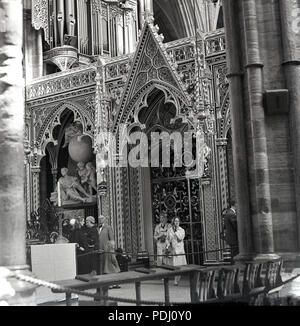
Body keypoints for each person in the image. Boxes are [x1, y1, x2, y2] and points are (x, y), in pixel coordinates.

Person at [165, 217, 187, 286]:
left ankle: (176, 280)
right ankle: (175, 280)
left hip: (179, 250)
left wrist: (176, 232)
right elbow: (167, 239)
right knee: (174, 266)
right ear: (173, 222)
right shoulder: (169, 230)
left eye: (178, 221)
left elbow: (180, 238)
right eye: (175, 221)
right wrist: (168, 245)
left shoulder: (181, 230)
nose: (176, 223)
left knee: (179, 267)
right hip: (173, 250)